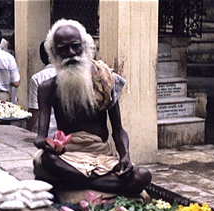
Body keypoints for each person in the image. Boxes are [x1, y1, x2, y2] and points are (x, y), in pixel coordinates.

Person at [33, 19, 152, 196]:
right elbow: (39, 137)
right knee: (47, 161)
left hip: (101, 156)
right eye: (62, 49)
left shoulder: (105, 80)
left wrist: (125, 156)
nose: (70, 53)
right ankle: (105, 184)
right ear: (53, 54)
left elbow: (118, 130)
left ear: (86, 47)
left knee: (143, 175)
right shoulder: (47, 88)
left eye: (75, 46)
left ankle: (76, 182)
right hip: (68, 156)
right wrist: (46, 143)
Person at [27, 41, 57, 138]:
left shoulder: (37, 78)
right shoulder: (68, 76)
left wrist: (28, 130)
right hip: (62, 132)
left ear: (41, 57)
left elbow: (34, 110)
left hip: (43, 132)